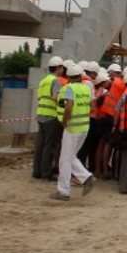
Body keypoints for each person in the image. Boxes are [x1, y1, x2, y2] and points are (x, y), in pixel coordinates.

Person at [51, 64, 95, 201]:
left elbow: (68, 107)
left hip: (72, 128)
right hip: (84, 127)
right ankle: (86, 177)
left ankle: (63, 191)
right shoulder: (87, 88)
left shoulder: (68, 88)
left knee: (65, 159)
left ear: (69, 77)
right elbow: (92, 106)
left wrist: (65, 122)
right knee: (69, 157)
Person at [32, 55, 65, 180]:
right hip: (51, 116)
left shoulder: (43, 80)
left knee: (40, 145)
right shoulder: (55, 81)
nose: (62, 70)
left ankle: (37, 171)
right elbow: (56, 97)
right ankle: (46, 173)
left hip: (40, 114)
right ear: (58, 68)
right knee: (49, 146)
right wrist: (64, 103)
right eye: (61, 67)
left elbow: (40, 97)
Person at [96, 63, 125, 179]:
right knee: (108, 144)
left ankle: (99, 170)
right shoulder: (120, 83)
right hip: (111, 116)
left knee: (101, 143)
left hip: (104, 115)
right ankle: (105, 171)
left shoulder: (113, 84)